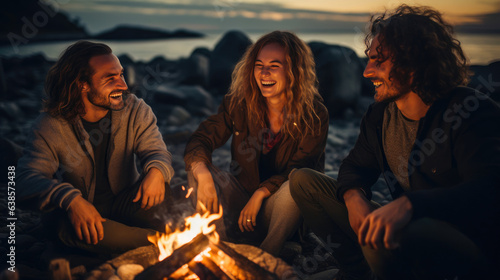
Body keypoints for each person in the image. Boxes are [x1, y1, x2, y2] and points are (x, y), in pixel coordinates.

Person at [290, 5, 500, 280]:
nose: (366, 72)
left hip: (465, 244)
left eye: (379, 61)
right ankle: (357, 271)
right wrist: (353, 197)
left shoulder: (468, 110)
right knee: (304, 182)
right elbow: (355, 165)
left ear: (413, 63)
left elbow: (489, 189)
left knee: (390, 232)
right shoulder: (380, 115)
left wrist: (411, 205)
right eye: (368, 59)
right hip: (405, 231)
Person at [17, 41, 174, 254]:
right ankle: (166, 241)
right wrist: (70, 199)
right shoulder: (50, 125)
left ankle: (152, 240)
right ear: (83, 84)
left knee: (175, 198)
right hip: (80, 213)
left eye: (121, 75)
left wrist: (156, 171)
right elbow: (25, 179)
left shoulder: (135, 109)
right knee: (65, 229)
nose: (123, 85)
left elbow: (156, 151)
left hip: (127, 201)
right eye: (111, 79)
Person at [184, 31, 329, 256]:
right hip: (241, 202)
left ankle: (267, 254)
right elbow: (201, 138)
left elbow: (301, 168)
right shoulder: (239, 103)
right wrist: (202, 173)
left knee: (296, 184)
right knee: (198, 169)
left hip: (280, 211)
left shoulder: (314, 114)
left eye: (275, 65)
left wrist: (261, 193)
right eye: (259, 64)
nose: (264, 73)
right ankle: (221, 250)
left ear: (294, 71)